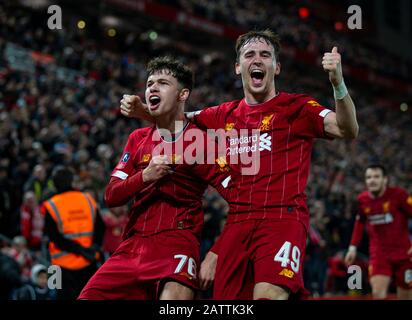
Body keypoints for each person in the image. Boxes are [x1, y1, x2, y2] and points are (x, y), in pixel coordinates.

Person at [120, 29, 359, 299]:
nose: (257, 60)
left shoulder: (298, 107)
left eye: (265, 55)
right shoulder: (222, 114)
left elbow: (347, 129)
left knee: (269, 295)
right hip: (236, 223)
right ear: (238, 67)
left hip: (282, 217)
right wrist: (143, 111)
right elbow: (178, 120)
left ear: (276, 67)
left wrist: (338, 83)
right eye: (249, 55)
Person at [79, 57, 231, 300]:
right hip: (131, 246)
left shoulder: (202, 142)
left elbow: (241, 201)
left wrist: (215, 254)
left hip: (177, 244)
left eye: (162, 83)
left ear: (182, 95)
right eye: (149, 83)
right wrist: (145, 176)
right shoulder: (137, 138)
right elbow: (111, 196)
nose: (152, 88)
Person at [344, 164, 412, 299]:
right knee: (377, 293)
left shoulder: (399, 195)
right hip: (379, 254)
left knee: (406, 296)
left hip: (404, 254)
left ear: (385, 179)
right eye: (368, 177)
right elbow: (360, 221)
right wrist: (352, 248)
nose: (372, 180)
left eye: (376, 176)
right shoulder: (362, 200)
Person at [42, 166, 105, 300]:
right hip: (89, 261)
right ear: (71, 181)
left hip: (59, 266)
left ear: (54, 184)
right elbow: (101, 227)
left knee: (55, 295)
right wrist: (94, 247)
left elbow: (54, 238)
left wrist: (78, 249)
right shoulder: (87, 199)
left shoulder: (51, 205)